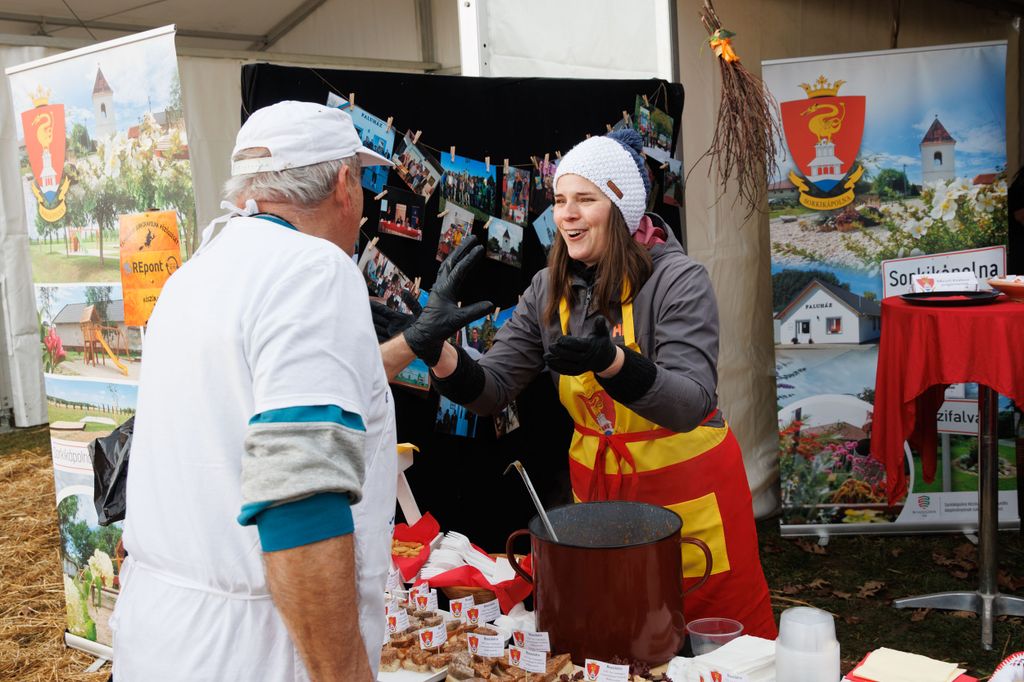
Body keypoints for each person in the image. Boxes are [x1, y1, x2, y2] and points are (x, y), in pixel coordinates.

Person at [377, 129, 777, 638]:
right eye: (560, 199)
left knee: (715, 642)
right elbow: (493, 388)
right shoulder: (549, 286)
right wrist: (437, 352)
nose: (566, 214)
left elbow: (690, 404)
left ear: (623, 208)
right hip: (602, 503)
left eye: (585, 199)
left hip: (690, 500)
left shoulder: (678, 280)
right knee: (619, 633)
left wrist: (613, 362)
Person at [112, 101, 401, 681]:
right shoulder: (314, 270)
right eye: (363, 182)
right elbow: (301, 502)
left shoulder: (193, 276)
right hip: (257, 653)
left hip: (157, 643)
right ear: (345, 184)